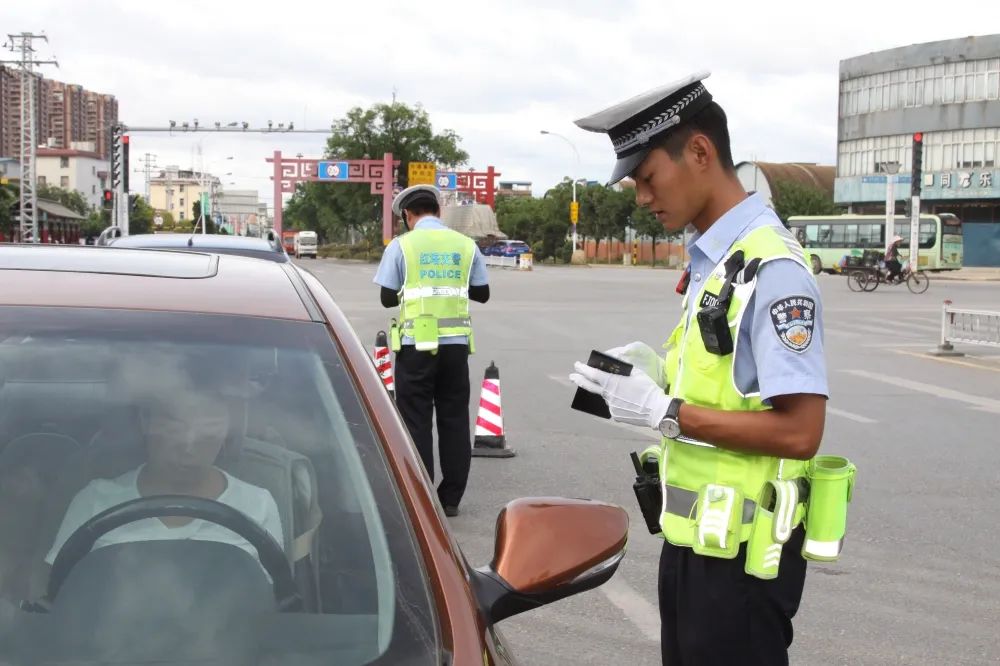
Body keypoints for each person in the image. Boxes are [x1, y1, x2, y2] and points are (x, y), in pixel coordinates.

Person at [569, 72, 829, 665]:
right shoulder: (718, 261)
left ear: (700, 152)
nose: (641, 195)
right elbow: (730, 387)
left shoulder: (773, 269)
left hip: (742, 562)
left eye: (647, 176)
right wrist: (651, 382)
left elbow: (799, 432)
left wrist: (665, 412)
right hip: (696, 543)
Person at [45, 394, 283, 570]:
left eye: (207, 426)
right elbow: (52, 596)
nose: (188, 445)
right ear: (145, 421)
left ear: (228, 429)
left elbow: (274, 610)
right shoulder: (95, 501)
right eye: (173, 424)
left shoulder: (257, 506)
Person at [373, 185, 489, 517]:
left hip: (415, 348)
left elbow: (386, 297)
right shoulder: (465, 245)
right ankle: (451, 498)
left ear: (408, 215)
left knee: (416, 420)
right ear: (438, 211)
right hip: (455, 348)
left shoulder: (401, 246)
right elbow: (481, 292)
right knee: (454, 419)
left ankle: (422, 495)